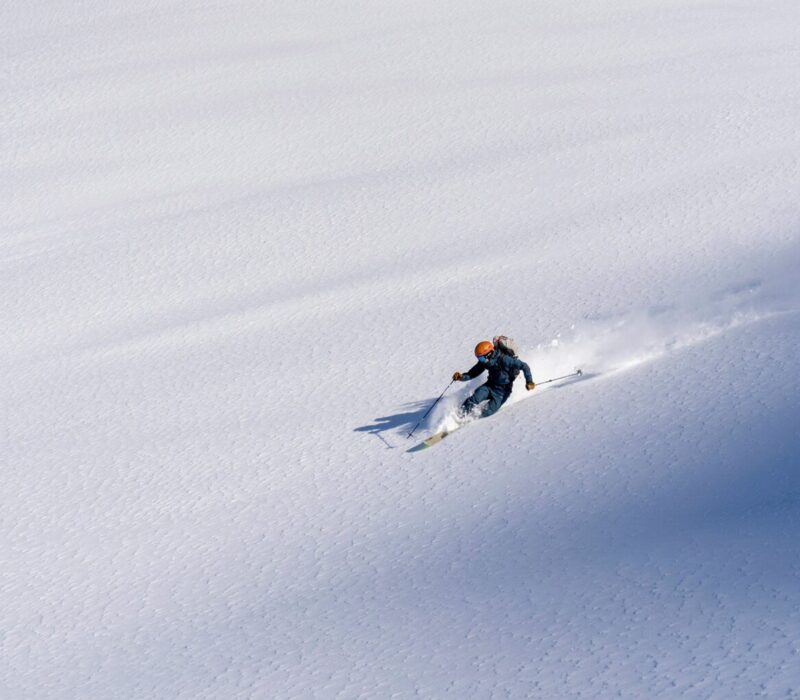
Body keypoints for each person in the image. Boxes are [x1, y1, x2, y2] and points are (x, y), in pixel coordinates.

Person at [453, 340, 535, 418]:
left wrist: (529, 381)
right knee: (474, 399)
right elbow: (472, 373)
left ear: (489, 354)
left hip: (502, 392)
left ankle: (472, 420)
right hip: (489, 386)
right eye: (478, 358)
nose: (480, 360)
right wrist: (461, 377)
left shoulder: (505, 359)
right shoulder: (485, 362)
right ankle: (459, 416)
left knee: (487, 412)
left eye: (481, 358)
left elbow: (524, 366)